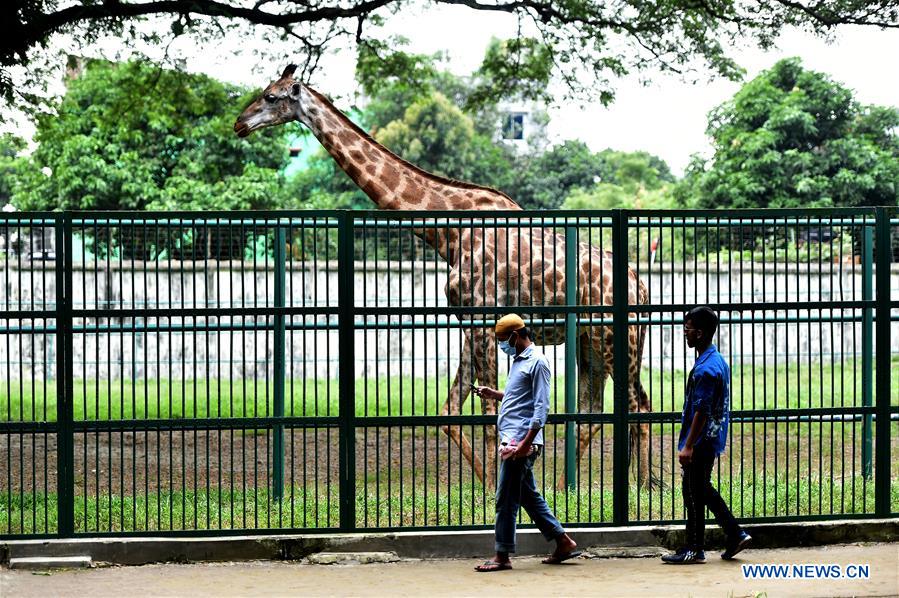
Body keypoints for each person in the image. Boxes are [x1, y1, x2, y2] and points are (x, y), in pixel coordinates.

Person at [473, 313, 581, 572]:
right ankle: (563, 541)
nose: (501, 345)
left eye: (503, 340)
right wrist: (494, 394)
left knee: (505, 498)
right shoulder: (518, 361)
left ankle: (502, 555)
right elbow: (519, 399)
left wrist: (524, 445)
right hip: (513, 440)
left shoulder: (538, 363)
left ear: (515, 335)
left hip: (521, 444)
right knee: (527, 496)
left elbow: (541, 408)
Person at [662, 306, 751, 565]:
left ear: (699, 333)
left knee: (693, 492)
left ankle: (696, 548)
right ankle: (734, 534)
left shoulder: (706, 370)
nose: (685, 333)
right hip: (709, 439)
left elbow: (701, 410)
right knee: (700, 489)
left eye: (687, 329)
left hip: (700, 442)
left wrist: (688, 445)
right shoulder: (716, 360)